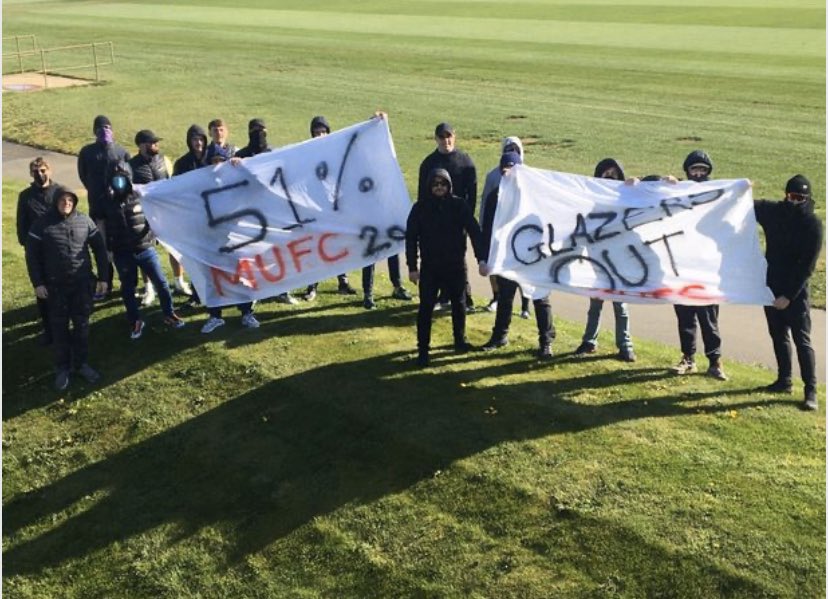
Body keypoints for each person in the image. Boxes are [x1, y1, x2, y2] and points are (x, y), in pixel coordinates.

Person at [25, 185, 109, 391]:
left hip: (82, 285)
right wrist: (38, 283)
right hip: (55, 288)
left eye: (70, 200)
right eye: (63, 200)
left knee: (81, 327)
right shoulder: (42, 224)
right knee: (59, 329)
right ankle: (62, 368)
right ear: (56, 202)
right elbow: (32, 256)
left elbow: (99, 249)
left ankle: (81, 364)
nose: (67, 204)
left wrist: (103, 278)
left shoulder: (84, 221)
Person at [754, 175, 823, 411]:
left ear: (808, 199)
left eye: (801, 198)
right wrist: (742, 189)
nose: (796, 202)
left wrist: (789, 296)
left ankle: (810, 391)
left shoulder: (813, 225)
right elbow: (746, 206)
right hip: (771, 286)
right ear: (786, 195)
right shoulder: (773, 212)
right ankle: (784, 380)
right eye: (792, 197)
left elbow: (808, 266)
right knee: (778, 336)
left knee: (802, 340)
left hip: (796, 292)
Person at [478, 152, 554, 359]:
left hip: (532, 257)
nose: (508, 174)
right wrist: (484, 258)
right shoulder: (495, 196)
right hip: (507, 257)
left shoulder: (534, 197)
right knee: (505, 297)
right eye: (504, 171)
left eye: (512, 170)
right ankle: (500, 336)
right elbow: (487, 229)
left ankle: (546, 341)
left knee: (540, 298)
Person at [406, 168, 483, 367]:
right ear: (429, 186)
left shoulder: (459, 205)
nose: (439, 187)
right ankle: (423, 350)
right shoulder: (419, 208)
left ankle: (460, 341)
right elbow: (411, 238)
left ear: (449, 186)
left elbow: (475, 231)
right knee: (426, 308)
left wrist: (481, 258)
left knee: (459, 304)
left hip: (455, 265)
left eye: (443, 184)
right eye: (435, 184)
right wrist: (412, 267)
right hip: (430, 266)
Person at [102, 162, 185, 339]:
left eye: (122, 177)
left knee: (161, 283)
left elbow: (155, 213)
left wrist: (154, 236)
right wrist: (108, 249)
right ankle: (135, 320)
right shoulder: (106, 201)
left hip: (145, 248)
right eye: (115, 178)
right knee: (128, 288)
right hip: (122, 252)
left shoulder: (140, 195)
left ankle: (169, 313)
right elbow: (103, 227)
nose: (119, 181)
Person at [670, 150, 727, 380]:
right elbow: (652, 190)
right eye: (695, 169)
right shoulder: (678, 191)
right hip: (681, 266)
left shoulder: (717, 194)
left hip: (707, 268)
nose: (699, 174)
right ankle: (688, 357)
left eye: (703, 170)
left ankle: (715, 361)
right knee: (685, 316)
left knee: (708, 318)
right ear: (687, 171)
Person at [573, 158, 636, 362]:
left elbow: (647, 190)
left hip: (619, 257)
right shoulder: (594, 199)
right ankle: (589, 340)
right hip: (598, 256)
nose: (609, 176)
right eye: (605, 173)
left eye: (613, 173)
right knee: (596, 301)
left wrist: (635, 184)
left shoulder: (625, 197)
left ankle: (625, 345)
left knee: (620, 304)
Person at [234, 118, 298, 305]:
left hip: (273, 212)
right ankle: (255, 292)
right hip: (251, 214)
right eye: (254, 130)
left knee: (278, 253)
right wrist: (235, 164)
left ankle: (282, 290)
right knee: (253, 254)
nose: (258, 133)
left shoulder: (273, 154)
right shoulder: (241, 155)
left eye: (261, 130)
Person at [417, 122, 478, 312]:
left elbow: (472, 193)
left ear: (455, 136)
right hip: (435, 220)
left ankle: (464, 298)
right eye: (442, 137)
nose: (446, 140)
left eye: (449, 136)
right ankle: (442, 297)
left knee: (459, 259)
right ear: (436, 139)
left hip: (458, 220)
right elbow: (422, 194)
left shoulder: (465, 161)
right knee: (436, 257)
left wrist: (467, 219)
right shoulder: (429, 163)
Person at [300, 116, 357, 301]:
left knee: (339, 244)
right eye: (316, 133)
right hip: (316, 207)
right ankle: (312, 285)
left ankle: (343, 281)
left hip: (335, 205)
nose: (320, 135)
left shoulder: (335, 151)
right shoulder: (307, 154)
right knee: (317, 247)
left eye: (323, 132)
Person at [129, 129, 187, 303]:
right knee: (145, 249)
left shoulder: (163, 160)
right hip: (143, 213)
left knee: (173, 247)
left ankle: (179, 281)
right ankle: (149, 288)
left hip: (164, 211)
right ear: (142, 145)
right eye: (152, 142)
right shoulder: (131, 165)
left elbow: (169, 182)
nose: (156, 145)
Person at [77, 114, 130, 298]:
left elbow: (127, 177)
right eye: (100, 128)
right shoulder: (87, 152)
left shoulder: (121, 151)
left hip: (117, 209)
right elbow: (83, 176)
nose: (104, 131)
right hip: (98, 209)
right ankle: (105, 284)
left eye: (107, 127)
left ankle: (127, 283)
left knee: (121, 246)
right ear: (94, 131)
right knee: (101, 248)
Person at [479, 136, 531, 317]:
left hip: (520, 232)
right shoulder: (493, 175)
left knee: (522, 269)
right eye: (509, 149)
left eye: (515, 149)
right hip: (497, 228)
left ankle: (525, 305)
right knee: (495, 265)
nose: (512, 151)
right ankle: (496, 297)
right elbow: (486, 201)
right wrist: (482, 223)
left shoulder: (530, 176)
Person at [17, 157, 61, 345]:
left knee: (62, 289)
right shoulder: (25, 196)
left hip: (60, 249)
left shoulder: (60, 191)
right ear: (31, 173)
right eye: (36, 171)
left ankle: (63, 325)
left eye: (43, 170)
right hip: (38, 250)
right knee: (42, 290)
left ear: (49, 171)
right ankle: (48, 328)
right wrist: (28, 246)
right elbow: (22, 225)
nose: (40, 174)